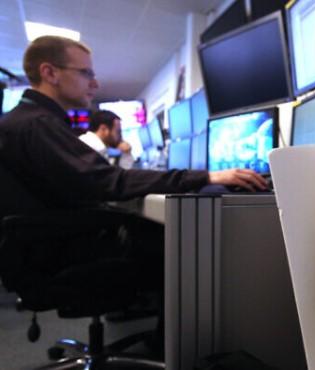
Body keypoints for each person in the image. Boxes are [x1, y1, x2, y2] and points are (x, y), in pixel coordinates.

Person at [0, 35, 267, 354]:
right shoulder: (37, 124)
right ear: (50, 72)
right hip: (55, 256)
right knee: (181, 244)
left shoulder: (28, 120)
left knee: (161, 231)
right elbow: (107, 181)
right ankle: (178, 351)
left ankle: (171, 343)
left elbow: (93, 182)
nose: (95, 83)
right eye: (86, 73)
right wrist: (205, 176)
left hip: (40, 252)